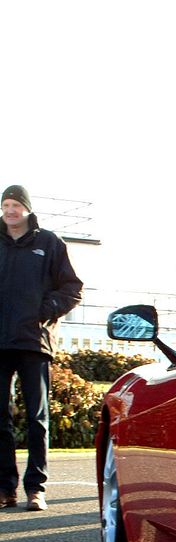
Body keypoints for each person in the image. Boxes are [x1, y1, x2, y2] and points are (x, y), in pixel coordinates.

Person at [0, 184, 83, 511]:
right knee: (0, 419)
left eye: (16, 205)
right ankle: (5, 488)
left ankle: (36, 488)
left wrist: (43, 311)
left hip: (34, 342)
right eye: (6, 205)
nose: (10, 211)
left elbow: (72, 288)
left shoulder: (49, 243)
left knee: (37, 418)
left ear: (27, 209)